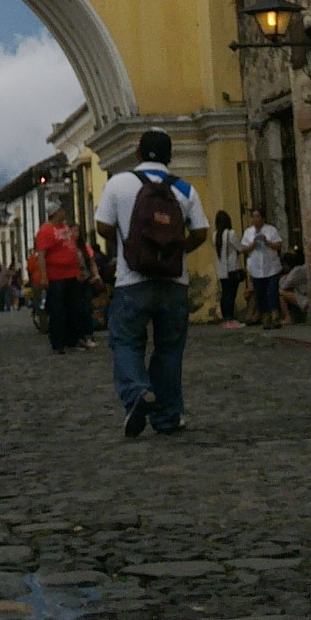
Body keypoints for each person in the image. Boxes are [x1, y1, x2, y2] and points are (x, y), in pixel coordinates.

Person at [95, 130, 207, 438]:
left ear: (138, 153)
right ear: (170, 156)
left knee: (126, 341)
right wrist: (174, 251)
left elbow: (102, 225)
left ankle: (137, 393)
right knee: (169, 349)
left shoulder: (118, 183)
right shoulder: (184, 188)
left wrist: (127, 243)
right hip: (174, 281)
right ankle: (168, 417)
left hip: (132, 280)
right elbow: (201, 231)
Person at [33, 203, 89, 354]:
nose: (64, 212)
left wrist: (78, 269)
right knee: (58, 310)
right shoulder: (45, 231)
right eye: (61, 210)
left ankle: (72, 340)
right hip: (56, 276)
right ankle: (58, 343)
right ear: (55, 213)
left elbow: (72, 249)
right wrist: (44, 276)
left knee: (74, 308)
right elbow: (42, 255)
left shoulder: (65, 228)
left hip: (71, 274)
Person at [242, 209, 284, 331]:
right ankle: (265, 318)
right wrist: (252, 245)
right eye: (253, 217)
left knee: (272, 292)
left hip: (271, 267)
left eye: (258, 216)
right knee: (260, 294)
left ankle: (275, 317)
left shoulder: (271, 230)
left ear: (262, 218)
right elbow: (243, 249)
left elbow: (278, 245)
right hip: (256, 269)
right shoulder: (248, 232)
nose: (255, 219)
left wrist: (267, 242)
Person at [211, 209, 244, 328]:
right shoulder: (231, 234)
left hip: (221, 270)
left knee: (225, 294)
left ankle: (226, 317)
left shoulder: (215, 235)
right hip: (232, 268)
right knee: (231, 294)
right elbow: (240, 248)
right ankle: (230, 317)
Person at [278, 261, 309, 325]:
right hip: (304, 296)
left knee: (280, 292)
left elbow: (284, 286)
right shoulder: (305, 268)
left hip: (305, 300)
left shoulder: (297, 271)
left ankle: (288, 317)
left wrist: (284, 277)